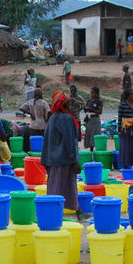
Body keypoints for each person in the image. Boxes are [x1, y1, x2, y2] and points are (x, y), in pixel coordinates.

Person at [42, 91, 87, 219]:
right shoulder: (66, 119)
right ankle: (54, 215)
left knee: (57, 187)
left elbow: (46, 141)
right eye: (68, 103)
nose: (71, 105)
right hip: (64, 159)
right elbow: (69, 141)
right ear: (65, 104)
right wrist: (75, 161)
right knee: (64, 187)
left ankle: (78, 211)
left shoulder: (52, 118)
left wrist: (45, 160)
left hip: (52, 159)